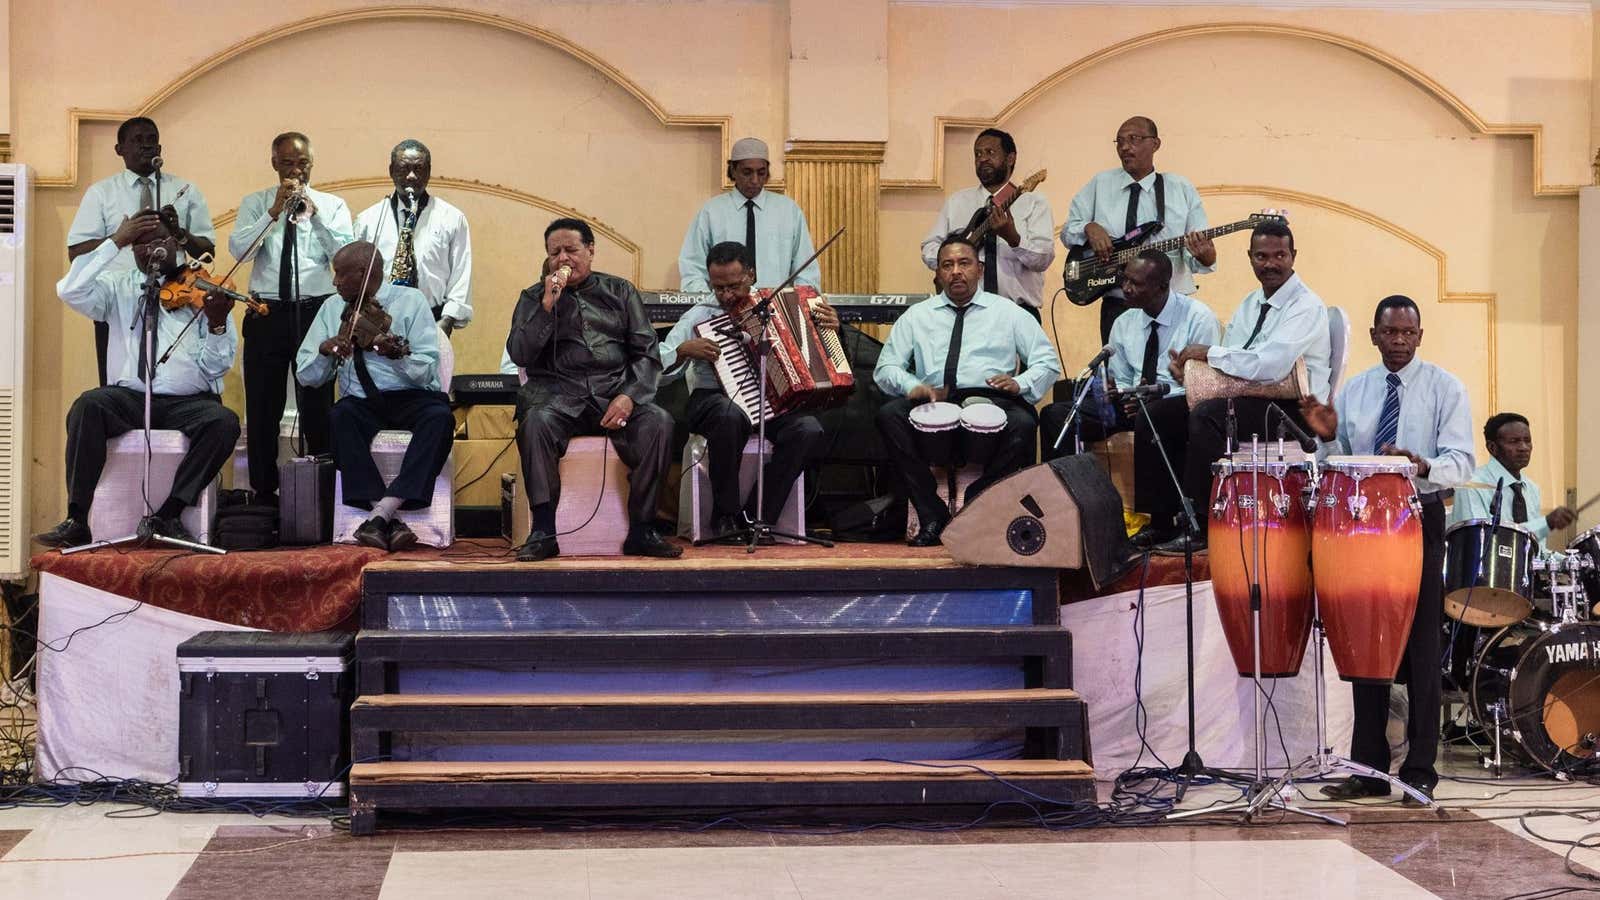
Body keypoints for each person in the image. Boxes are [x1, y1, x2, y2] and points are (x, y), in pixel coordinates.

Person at [1300, 294, 1475, 806]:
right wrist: (1320, 436)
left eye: (1407, 333)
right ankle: (1369, 769)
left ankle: (1420, 769)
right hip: (1361, 524)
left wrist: (1418, 464)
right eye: (1389, 332)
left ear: (1419, 336)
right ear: (1375, 336)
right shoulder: (1354, 391)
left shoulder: (1445, 387)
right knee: (1365, 641)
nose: (1398, 341)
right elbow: (1334, 456)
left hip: (1417, 517)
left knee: (1420, 646)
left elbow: (1462, 463)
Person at [36, 211, 239, 547]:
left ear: (175, 242)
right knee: (88, 405)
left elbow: (216, 369)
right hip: (130, 398)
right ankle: (76, 518)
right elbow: (69, 290)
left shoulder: (204, 289)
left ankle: (169, 514)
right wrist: (114, 241)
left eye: (159, 240)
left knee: (224, 423)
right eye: (140, 244)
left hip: (188, 402)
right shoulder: (118, 287)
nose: (150, 249)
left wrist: (217, 325)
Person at [508, 218, 681, 561]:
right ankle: (543, 531)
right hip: (558, 397)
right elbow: (520, 353)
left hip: (613, 393)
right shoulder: (533, 297)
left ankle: (643, 529)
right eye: (554, 252)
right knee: (536, 423)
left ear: (590, 251)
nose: (563, 259)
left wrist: (629, 396)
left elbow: (646, 353)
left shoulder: (621, 291)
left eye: (571, 250)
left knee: (659, 422)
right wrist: (546, 307)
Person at [876, 234, 1061, 546]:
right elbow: (886, 368)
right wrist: (913, 386)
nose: (956, 271)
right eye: (947, 265)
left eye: (964, 263)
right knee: (888, 415)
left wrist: (1020, 383)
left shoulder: (1009, 312)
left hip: (992, 398)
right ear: (937, 274)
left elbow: (1047, 362)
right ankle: (931, 513)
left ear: (980, 268)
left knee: (1025, 423)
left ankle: (979, 499)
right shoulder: (917, 316)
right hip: (934, 400)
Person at [1164, 218, 1330, 553]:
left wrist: (1206, 353)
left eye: (1279, 255)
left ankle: (1209, 522)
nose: (1270, 264)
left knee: (1207, 416)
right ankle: (1163, 518)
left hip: (1294, 410)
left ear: (1293, 256)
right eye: (1261, 256)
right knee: (1163, 411)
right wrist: (1193, 374)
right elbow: (1238, 363)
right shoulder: (1251, 302)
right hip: (1254, 395)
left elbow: (1270, 367)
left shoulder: (1307, 306)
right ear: (1250, 257)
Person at [1040, 250, 1220, 545]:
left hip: (1176, 402)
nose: (1126, 288)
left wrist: (1152, 397)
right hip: (1128, 403)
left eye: (1136, 283)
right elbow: (1122, 375)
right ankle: (1064, 510)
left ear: (1162, 287)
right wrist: (1114, 389)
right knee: (1057, 415)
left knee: (1155, 415)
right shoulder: (1124, 321)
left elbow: (1204, 384)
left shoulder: (1198, 318)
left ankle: (1160, 521)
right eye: (1125, 280)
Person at [659, 241, 833, 539]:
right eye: (718, 288)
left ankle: (757, 517)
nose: (726, 295)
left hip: (770, 400)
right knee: (730, 415)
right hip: (712, 399)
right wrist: (683, 351)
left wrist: (831, 328)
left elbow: (816, 349)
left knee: (808, 428)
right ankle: (725, 515)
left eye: (734, 286)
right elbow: (656, 364)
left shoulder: (775, 307)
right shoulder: (699, 315)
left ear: (751, 274)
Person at [294, 241, 453, 553]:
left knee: (440, 419)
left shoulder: (411, 301)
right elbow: (306, 376)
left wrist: (397, 355)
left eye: (340, 274)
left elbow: (426, 371)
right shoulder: (330, 309)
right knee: (339, 417)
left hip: (412, 397)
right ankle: (387, 517)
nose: (335, 281)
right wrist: (326, 351)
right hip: (362, 401)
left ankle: (380, 515)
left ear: (363, 273)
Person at [229, 131, 355, 505]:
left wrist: (313, 218)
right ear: (274, 164)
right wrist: (272, 215)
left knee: (317, 406)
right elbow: (240, 252)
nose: (295, 171)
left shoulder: (332, 205)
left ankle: (323, 493)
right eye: (287, 164)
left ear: (312, 164)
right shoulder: (255, 203)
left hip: (316, 310)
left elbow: (345, 256)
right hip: (266, 311)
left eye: (302, 163)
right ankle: (263, 494)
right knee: (262, 407)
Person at [67, 116, 216, 386]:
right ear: (119, 149)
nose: (146, 146)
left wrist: (179, 232)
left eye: (152, 140)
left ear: (160, 149)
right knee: (118, 382)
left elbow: (208, 251)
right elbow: (76, 253)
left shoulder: (185, 190)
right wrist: (121, 238)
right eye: (137, 140)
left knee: (174, 381)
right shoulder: (101, 193)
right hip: (116, 300)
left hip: (174, 298)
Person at [1062, 116, 1216, 342]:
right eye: (1120, 141)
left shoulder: (1180, 188)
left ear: (1155, 144)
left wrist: (1206, 257)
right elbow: (1067, 232)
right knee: (1118, 374)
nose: (1125, 147)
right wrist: (1088, 227)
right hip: (1118, 303)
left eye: (1134, 139)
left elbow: (1198, 254)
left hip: (1171, 304)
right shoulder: (1100, 184)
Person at [919, 128, 1056, 317]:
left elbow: (1043, 260)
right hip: (964, 311)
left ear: (1010, 158)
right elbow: (929, 247)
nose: (982, 158)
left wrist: (1013, 238)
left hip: (1017, 313)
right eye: (978, 154)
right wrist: (954, 258)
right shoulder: (957, 202)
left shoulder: (1034, 203)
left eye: (990, 152)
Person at [353, 139, 472, 335]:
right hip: (377, 322)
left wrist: (447, 321)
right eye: (403, 169)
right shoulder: (368, 219)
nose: (411, 176)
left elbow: (461, 275)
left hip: (433, 320)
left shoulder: (452, 218)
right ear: (391, 171)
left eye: (419, 169)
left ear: (429, 171)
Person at [678, 138, 820, 293]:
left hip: (776, 310)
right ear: (733, 170)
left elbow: (806, 271)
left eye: (761, 173)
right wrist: (709, 305)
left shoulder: (788, 211)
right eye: (747, 172)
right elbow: (693, 268)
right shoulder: (711, 212)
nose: (755, 180)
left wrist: (799, 306)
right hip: (724, 308)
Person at [1451, 412, 1576, 552]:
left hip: (1525, 573)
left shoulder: (1532, 488)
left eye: (1527, 440)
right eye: (1514, 441)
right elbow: (1482, 544)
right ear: (1492, 447)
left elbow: (1537, 551)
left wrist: (1568, 561)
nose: (1524, 447)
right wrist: (1546, 522)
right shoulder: (1471, 485)